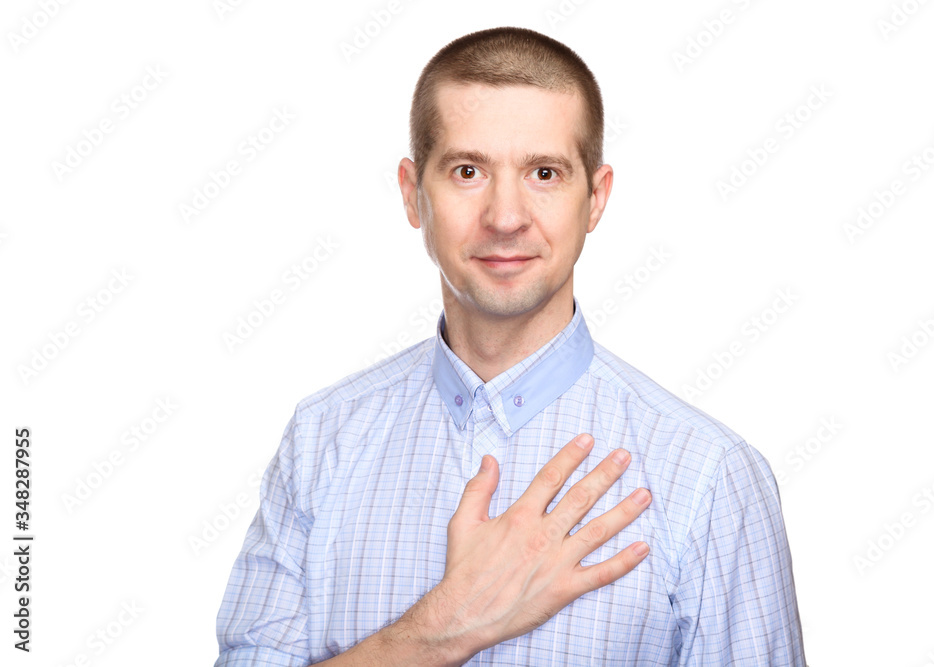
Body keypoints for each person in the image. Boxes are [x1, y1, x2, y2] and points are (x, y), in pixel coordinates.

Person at [214, 26, 806, 666]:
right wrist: (444, 626)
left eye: (544, 173)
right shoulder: (322, 439)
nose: (504, 216)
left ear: (596, 199)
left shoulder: (709, 476)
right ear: (414, 194)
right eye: (467, 171)